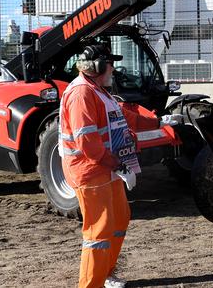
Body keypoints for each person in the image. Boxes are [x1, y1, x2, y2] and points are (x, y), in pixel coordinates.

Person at [59, 44, 133, 288]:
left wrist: (158, 121)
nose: (113, 69)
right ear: (99, 66)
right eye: (110, 64)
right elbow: (88, 143)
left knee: (119, 220)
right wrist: (119, 166)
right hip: (90, 170)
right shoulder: (81, 94)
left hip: (106, 166)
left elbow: (122, 118)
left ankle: (105, 273)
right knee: (98, 231)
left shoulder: (98, 90)